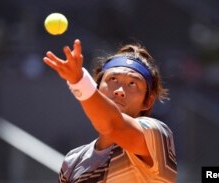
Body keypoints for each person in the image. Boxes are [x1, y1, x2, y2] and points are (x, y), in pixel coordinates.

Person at [43, 39, 177, 183]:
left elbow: (113, 125)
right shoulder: (73, 160)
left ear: (147, 102)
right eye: (113, 79)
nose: (120, 91)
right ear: (97, 87)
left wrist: (79, 81)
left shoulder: (157, 134)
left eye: (132, 84)